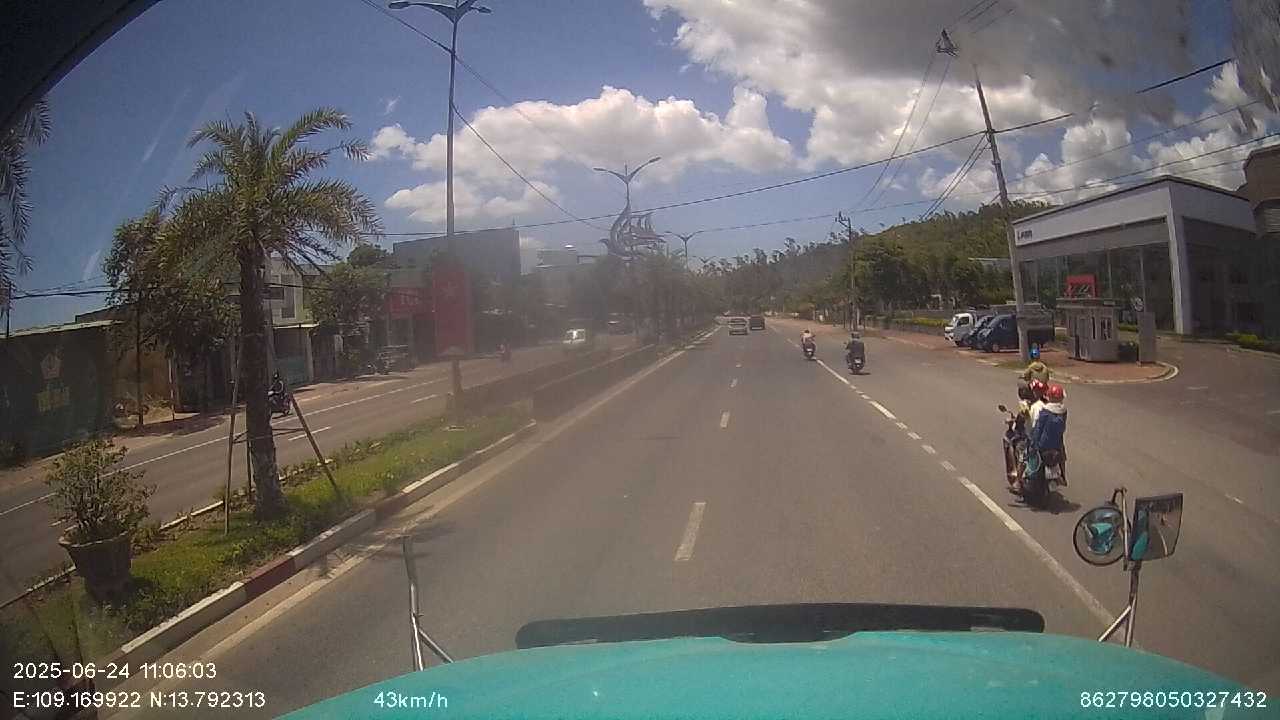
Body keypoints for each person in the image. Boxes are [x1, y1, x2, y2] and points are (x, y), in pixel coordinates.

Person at [1021, 383, 1067, 493]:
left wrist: (1033, 444)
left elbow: (1038, 429)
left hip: (1042, 446)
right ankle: (1063, 476)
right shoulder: (1063, 412)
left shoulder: (1045, 411)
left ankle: (1020, 479)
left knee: (1024, 457)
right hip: (1057, 444)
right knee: (1062, 457)